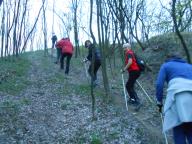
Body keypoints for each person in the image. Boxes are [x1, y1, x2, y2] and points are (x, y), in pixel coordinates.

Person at [156, 52, 192, 144]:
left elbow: (159, 84)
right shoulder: (189, 66)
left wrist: (159, 102)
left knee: (178, 127)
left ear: (168, 58)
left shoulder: (166, 65)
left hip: (177, 97)